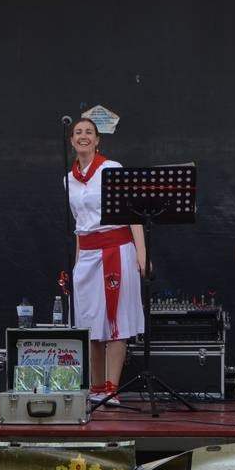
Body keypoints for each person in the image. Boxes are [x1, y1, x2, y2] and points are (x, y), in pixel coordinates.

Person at [65, 117, 146, 404]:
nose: (83, 136)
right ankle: (96, 385)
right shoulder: (69, 179)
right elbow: (78, 225)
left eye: (89, 132)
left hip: (116, 247)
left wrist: (141, 255)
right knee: (90, 322)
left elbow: (133, 213)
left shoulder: (112, 169)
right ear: (72, 141)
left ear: (98, 140)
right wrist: (77, 263)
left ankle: (112, 386)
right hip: (87, 253)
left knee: (116, 320)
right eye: (78, 132)